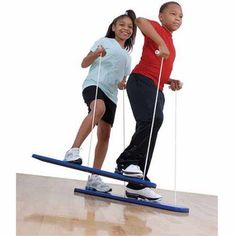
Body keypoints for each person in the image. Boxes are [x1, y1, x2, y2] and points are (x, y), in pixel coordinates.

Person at [64, 10, 137, 193]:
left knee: (105, 135)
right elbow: (84, 63)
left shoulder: (127, 57)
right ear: (113, 27)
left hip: (112, 94)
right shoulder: (104, 42)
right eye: (121, 25)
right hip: (94, 85)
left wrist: (122, 84)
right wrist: (96, 54)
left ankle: (94, 177)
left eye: (130, 27)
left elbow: (122, 81)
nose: (125, 29)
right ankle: (73, 150)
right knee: (98, 108)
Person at [116, 2, 183, 200]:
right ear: (161, 16)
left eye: (181, 16)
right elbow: (140, 21)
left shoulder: (171, 42)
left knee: (153, 125)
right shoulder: (156, 28)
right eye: (173, 14)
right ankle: (127, 161)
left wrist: (170, 81)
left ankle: (137, 182)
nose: (178, 18)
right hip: (141, 81)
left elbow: (158, 68)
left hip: (157, 87)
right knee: (152, 118)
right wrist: (160, 43)